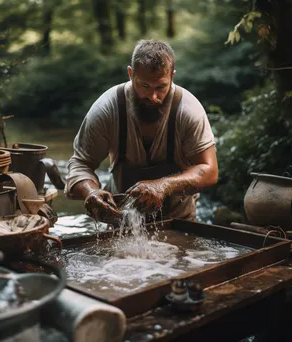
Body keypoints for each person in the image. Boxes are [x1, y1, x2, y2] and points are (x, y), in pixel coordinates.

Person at [65, 39, 218, 224]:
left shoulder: (188, 110)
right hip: (120, 221)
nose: (153, 97)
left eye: (161, 87)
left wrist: (163, 186)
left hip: (178, 221)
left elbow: (210, 171)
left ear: (172, 77)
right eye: (144, 86)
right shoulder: (107, 109)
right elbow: (80, 164)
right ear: (131, 74)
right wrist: (91, 192)